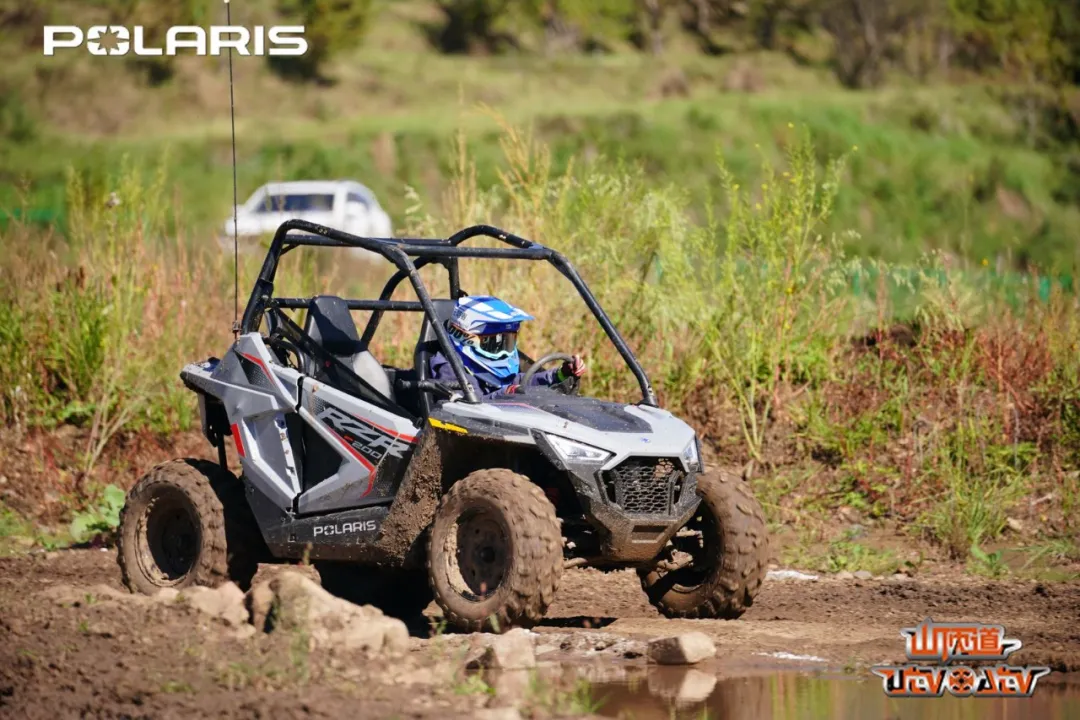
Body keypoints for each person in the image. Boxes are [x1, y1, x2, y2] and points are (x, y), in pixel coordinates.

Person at [430, 295, 587, 399]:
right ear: (465, 338)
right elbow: (471, 411)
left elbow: (520, 382)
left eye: (508, 341)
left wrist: (559, 375)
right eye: (495, 342)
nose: (504, 352)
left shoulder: (489, 367)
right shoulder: (450, 370)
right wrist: (506, 394)